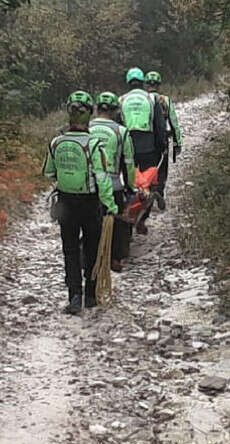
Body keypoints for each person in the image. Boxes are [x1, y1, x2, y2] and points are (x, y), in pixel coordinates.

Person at [42, 91, 116, 314]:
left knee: (70, 249)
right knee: (92, 248)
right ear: (89, 114)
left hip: (65, 202)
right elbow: (102, 179)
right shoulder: (94, 144)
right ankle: (91, 295)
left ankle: (74, 296)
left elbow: (49, 173)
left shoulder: (56, 142)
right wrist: (111, 205)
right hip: (90, 202)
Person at [89, 91, 134, 272]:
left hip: (90, 185)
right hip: (114, 183)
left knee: (91, 222)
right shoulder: (121, 132)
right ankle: (115, 258)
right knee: (118, 221)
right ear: (116, 110)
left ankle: (91, 256)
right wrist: (130, 186)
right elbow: (129, 163)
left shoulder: (87, 128)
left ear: (96, 109)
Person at [118, 67, 164, 234]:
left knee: (128, 183)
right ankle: (142, 218)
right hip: (148, 147)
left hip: (127, 146)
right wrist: (162, 146)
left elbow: (118, 126)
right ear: (142, 82)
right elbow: (159, 125)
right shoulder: (151, 99)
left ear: (128, 82)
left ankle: (127, 215)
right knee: (147, 183)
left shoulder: (121, 100)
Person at [145, 71, 182, 210]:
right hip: (163, 138)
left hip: (146, 140)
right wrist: (177, 143)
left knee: (146, 166)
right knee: (162, 168)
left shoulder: (143, 99)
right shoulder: (164, 100)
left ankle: (146, 191)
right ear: (159, 85)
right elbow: (174, 122)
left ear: (146, 84)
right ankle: (159, 191)